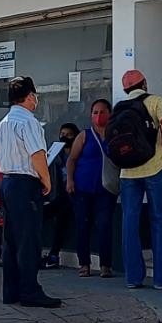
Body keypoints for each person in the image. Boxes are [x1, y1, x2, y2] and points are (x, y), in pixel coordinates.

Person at [0, 76, 61, 309]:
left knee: (11, 240)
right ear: (30, 96)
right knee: (29, 240)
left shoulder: (3, 123)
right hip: (25, 184)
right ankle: (30, 290)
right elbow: (37, 155)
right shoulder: (29, 122)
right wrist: (47, 179)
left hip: (8, 182)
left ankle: (11, 291)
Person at [114, 69, 162, 290]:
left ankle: (133, 278)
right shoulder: (155, 101)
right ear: (145, 83)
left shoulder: (120, 108)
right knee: (160, 220)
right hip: (153, 168)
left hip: (127, 173)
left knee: (129, 223)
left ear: (125, 89)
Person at [66, 100, 117, 278]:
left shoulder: (114, 136)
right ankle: (84, 264)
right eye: (95, 112)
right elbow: (72, 159)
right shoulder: (84, 136)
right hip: (83, 188)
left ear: (109, 114)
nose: (98, 116)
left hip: (106, 189)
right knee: (82, 226)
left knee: (104, 225)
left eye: (102, 112)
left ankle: (105, 265)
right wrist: (70, 180)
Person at [42, 123, 79, 269]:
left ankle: (53, 255)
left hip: (77, 194)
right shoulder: (58, 155)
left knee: (62, 217)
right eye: (62, 134)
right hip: (59, 195)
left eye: (69, 135)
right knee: (44, 215)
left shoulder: (78, 154)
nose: (64, 137)